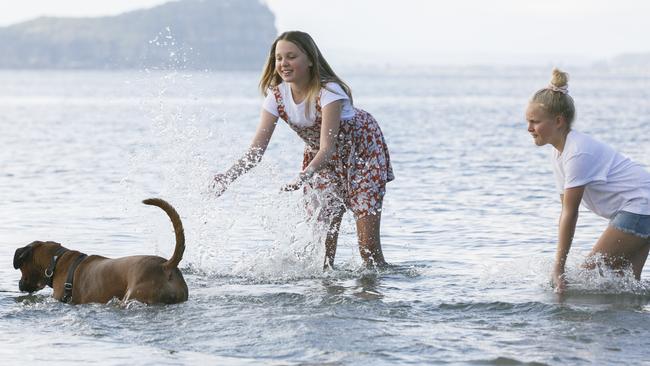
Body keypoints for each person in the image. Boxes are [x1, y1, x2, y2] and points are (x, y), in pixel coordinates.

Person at [213, 31, 394, 269]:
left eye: (291, 56)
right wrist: (227, 177)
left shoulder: (329, 91)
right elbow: (256, 151)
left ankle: (375, 294)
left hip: (362, 156)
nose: (283, 63)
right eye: (279, 58)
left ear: (309, 60)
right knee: (322, 251)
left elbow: (328, 147)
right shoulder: (276, 97)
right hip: (320, 161)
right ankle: (327, 301)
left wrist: (303, 177)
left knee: (368, 248)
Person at [525, 68, 650, 293]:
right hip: (642, 208)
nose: (529, 128)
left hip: (641, 207)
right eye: (528, 121)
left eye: (535, 122)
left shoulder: (577, 152)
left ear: (558, 121)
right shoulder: (560, 153)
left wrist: (558, 268)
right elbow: (565, 210)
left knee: (581, 282)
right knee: (627, 289)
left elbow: (570, 214)